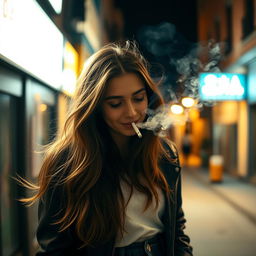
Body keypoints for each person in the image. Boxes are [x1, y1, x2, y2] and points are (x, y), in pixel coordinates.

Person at [22, 41, 193, 256]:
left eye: (138, 98)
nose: (131, 112)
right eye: (115, 103)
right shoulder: (66, 162)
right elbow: (55, 248)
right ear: (94, 106)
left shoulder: (165, 153)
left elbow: (176, 226)